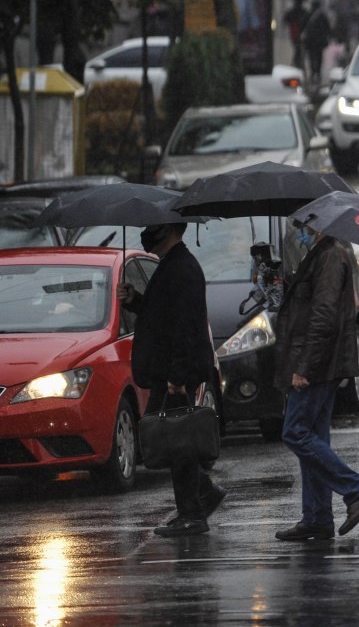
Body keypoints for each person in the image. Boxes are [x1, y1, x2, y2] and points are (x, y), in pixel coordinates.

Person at [117, 222, 226, 538]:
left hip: (177, 373)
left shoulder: (181, 268)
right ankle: (203, 496)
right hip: (169, 372)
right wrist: (135, 300)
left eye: (154, 228)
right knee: (171, 438)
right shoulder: (172, 266)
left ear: (169, 231)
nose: (147, 232)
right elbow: (161, 314)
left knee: (177, 441)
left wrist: (178, 376)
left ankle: (193, 513)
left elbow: (185, 325)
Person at [274, 218, 359, 542]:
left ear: (315, 223)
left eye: (300, 223)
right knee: (313, 436)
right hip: (321, 361)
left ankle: (356, 489)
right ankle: (317, 517)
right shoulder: (320, 253)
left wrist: (305, 366)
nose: (297, 229)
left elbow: (324, 315)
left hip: (319, 364)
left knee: (296, 432)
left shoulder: (331, 254)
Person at [301, 0, 332, 86]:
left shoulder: (308, 14)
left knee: (311, 57)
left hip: (310, 41)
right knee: (319, 57)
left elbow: (302, 25)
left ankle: (313, 72)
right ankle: (317, 73)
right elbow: (328, 28)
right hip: (319, 42)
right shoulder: (322, 16)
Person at [284, 0, 307, 69]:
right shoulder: (303, 12)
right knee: (298, 48)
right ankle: (297, 62)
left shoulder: (291, 12)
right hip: (300, 33)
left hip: (294, 32)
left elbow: (286, 20)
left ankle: (296, 62)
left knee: (297, 48)